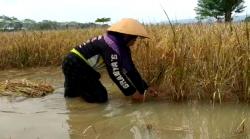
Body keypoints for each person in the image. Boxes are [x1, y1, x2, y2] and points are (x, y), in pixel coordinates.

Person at [62, 18, 157, 103]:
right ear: (126, 36)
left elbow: (131, 70)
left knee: (72, 95)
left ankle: (75, 94)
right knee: (101, 98)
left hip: (78, 64)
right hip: (76, 64)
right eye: (134, 38)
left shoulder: (121, 46)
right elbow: (115, 73)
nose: (135, 41)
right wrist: (132, 93)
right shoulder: (111, 45)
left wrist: (145, 88)